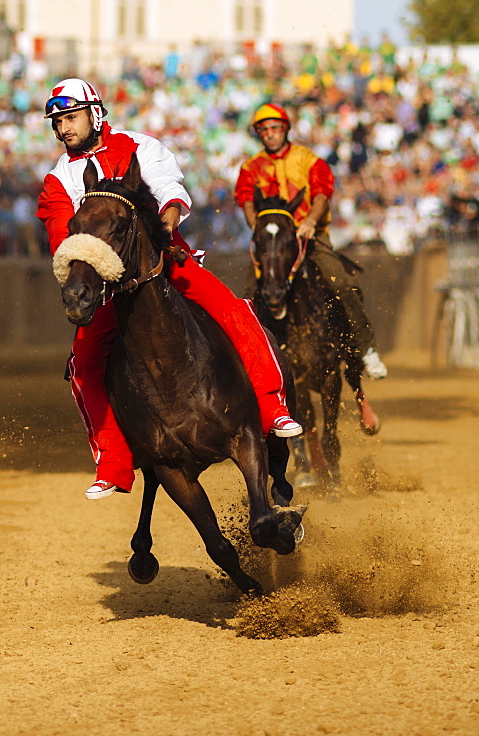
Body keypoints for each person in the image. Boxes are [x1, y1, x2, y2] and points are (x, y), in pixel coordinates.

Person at [36, 78, 302, 501]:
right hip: (107, 282)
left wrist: (164, 230)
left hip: (165, 261)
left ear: (95, 114)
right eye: (58, 122)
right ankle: (114, 462)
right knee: (82, 363)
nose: (64, 128)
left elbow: (169, 192)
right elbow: (61, 235)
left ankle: (271, 407)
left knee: (234, 311)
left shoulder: (141, 146)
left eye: (71, 117)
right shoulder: (57, 179)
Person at [235, 102, 388, 380]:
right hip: (272, 244)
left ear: (286, 129)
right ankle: (250, 358)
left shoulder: (310, 160)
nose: (269, 133)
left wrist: (309, 222)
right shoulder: (250, 167)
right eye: (263, 129)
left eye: (274, 128)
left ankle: (366, 350)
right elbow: (246, 201)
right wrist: (256, 226)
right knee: (249, 294)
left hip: (311, 237)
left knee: (342, 283)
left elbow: (321, 196)